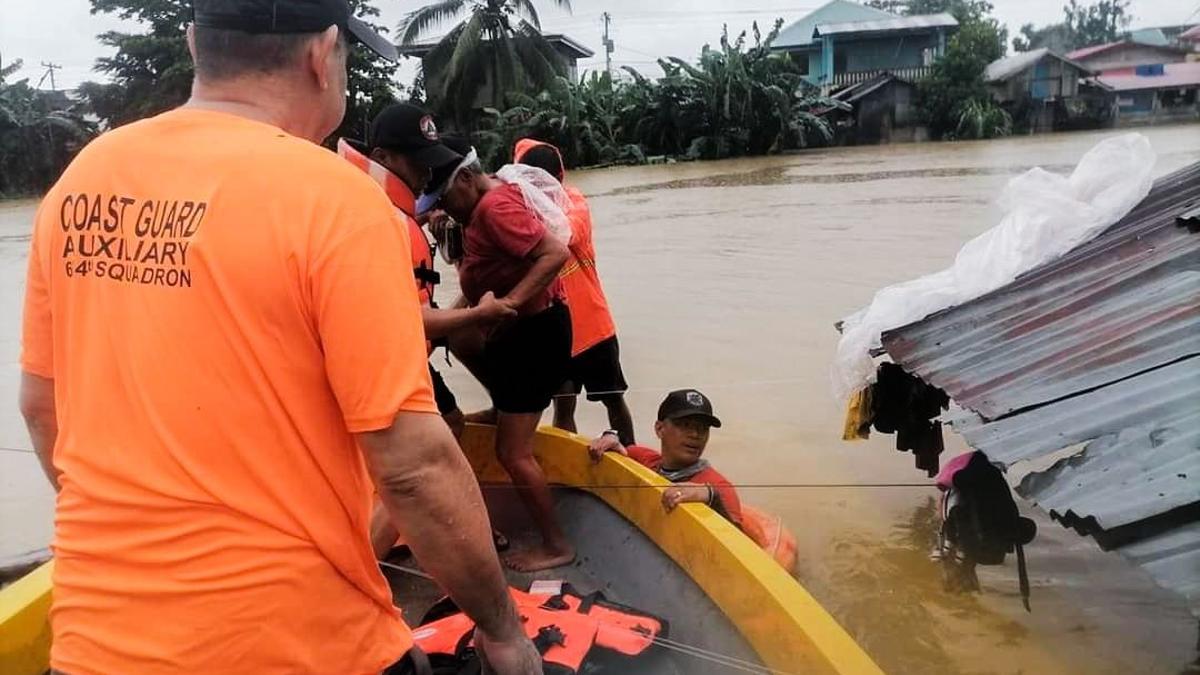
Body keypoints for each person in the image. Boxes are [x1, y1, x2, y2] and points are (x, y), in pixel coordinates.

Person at [17, 2, 539, 673]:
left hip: (96, 642)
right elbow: (411, 464)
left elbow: (41, 408)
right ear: (322, 55)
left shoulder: (81, 183)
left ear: (194, 41)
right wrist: (501, 629)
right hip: (296, 643)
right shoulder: (336, 202)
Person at [419, 144, 575, 572]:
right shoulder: (479, 210)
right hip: (519, 330)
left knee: (513, 453)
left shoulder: (492, 208)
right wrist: (457, 318)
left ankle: (557, 544)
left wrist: (509, 302)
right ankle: (505, 403)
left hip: (536, 333)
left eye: (445, 199)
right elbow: (478, 280)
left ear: (467, 180)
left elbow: (555, 253)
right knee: (463, 335)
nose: (445, 210)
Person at [339, 104, 516, 440]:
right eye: (418, 162)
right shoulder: (376, 222)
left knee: (450, 419)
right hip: (381, 363)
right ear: (383, 157)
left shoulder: (369, 206)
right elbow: (412, 320)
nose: (427, 174)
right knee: (446, 425)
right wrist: (480, 313)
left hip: (397, 356)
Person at [587, 389, 798, 573]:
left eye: (702, 428)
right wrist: (610, 434)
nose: (695, 434)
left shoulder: (717, 486)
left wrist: (711, 498)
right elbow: (622, 448)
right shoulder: (646, 460)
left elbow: (740, 553)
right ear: (659, 429)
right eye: (685, 425)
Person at [512, 139, 635, 447]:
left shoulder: (573, 201)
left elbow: (565, 232)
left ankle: (634, 456)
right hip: (555, 331)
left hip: (594, 328)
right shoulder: (516, 212)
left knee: (613, 400)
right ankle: (565, 470)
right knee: (563, 404)